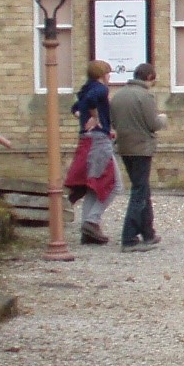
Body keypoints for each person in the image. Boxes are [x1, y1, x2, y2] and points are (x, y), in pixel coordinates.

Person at [110, 61, 168, 251]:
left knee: (142, 189)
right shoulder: (145, 97)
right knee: (139, 192)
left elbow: (113, 122)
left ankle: (148, 233)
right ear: (150, 77)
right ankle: (129, 238)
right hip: (142, 148)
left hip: (125, 147)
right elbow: (152, 124)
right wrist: (162, 120)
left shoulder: (118, 96)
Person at [67, 60, 118, 244]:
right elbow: (89, 101)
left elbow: (76, 107)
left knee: (92, 187)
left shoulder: (86, 87)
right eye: (108, 73)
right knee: (114, 184)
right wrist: (96, 120)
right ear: (102, 74)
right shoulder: (100, 89)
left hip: (88, 139)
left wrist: (85, 116)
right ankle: (91, 221)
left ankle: (87, 230)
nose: (109, 77)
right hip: (99, 141)